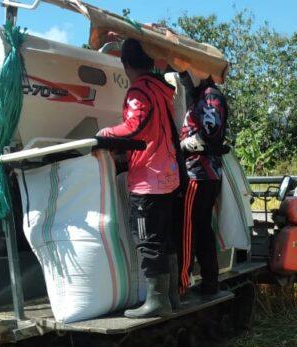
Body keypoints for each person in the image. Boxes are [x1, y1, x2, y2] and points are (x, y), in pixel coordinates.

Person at [97, 38, 185, 318]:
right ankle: (171, 297)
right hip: (167, 173)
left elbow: (135, 126)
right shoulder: (161, 88)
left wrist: (105, 134)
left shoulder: (140, 89)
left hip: (149, 177)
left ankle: (157, 302)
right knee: (165, 238)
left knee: (148, 240)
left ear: (126, 64)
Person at [177, 72, 229, 296]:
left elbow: (210, 132)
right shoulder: (204, 95)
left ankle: (181, 285)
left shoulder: (209, 96)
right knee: (201, 228)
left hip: (198, 173)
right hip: (205, 173)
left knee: (188, 229)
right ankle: (209, 282)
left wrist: (184, 145)